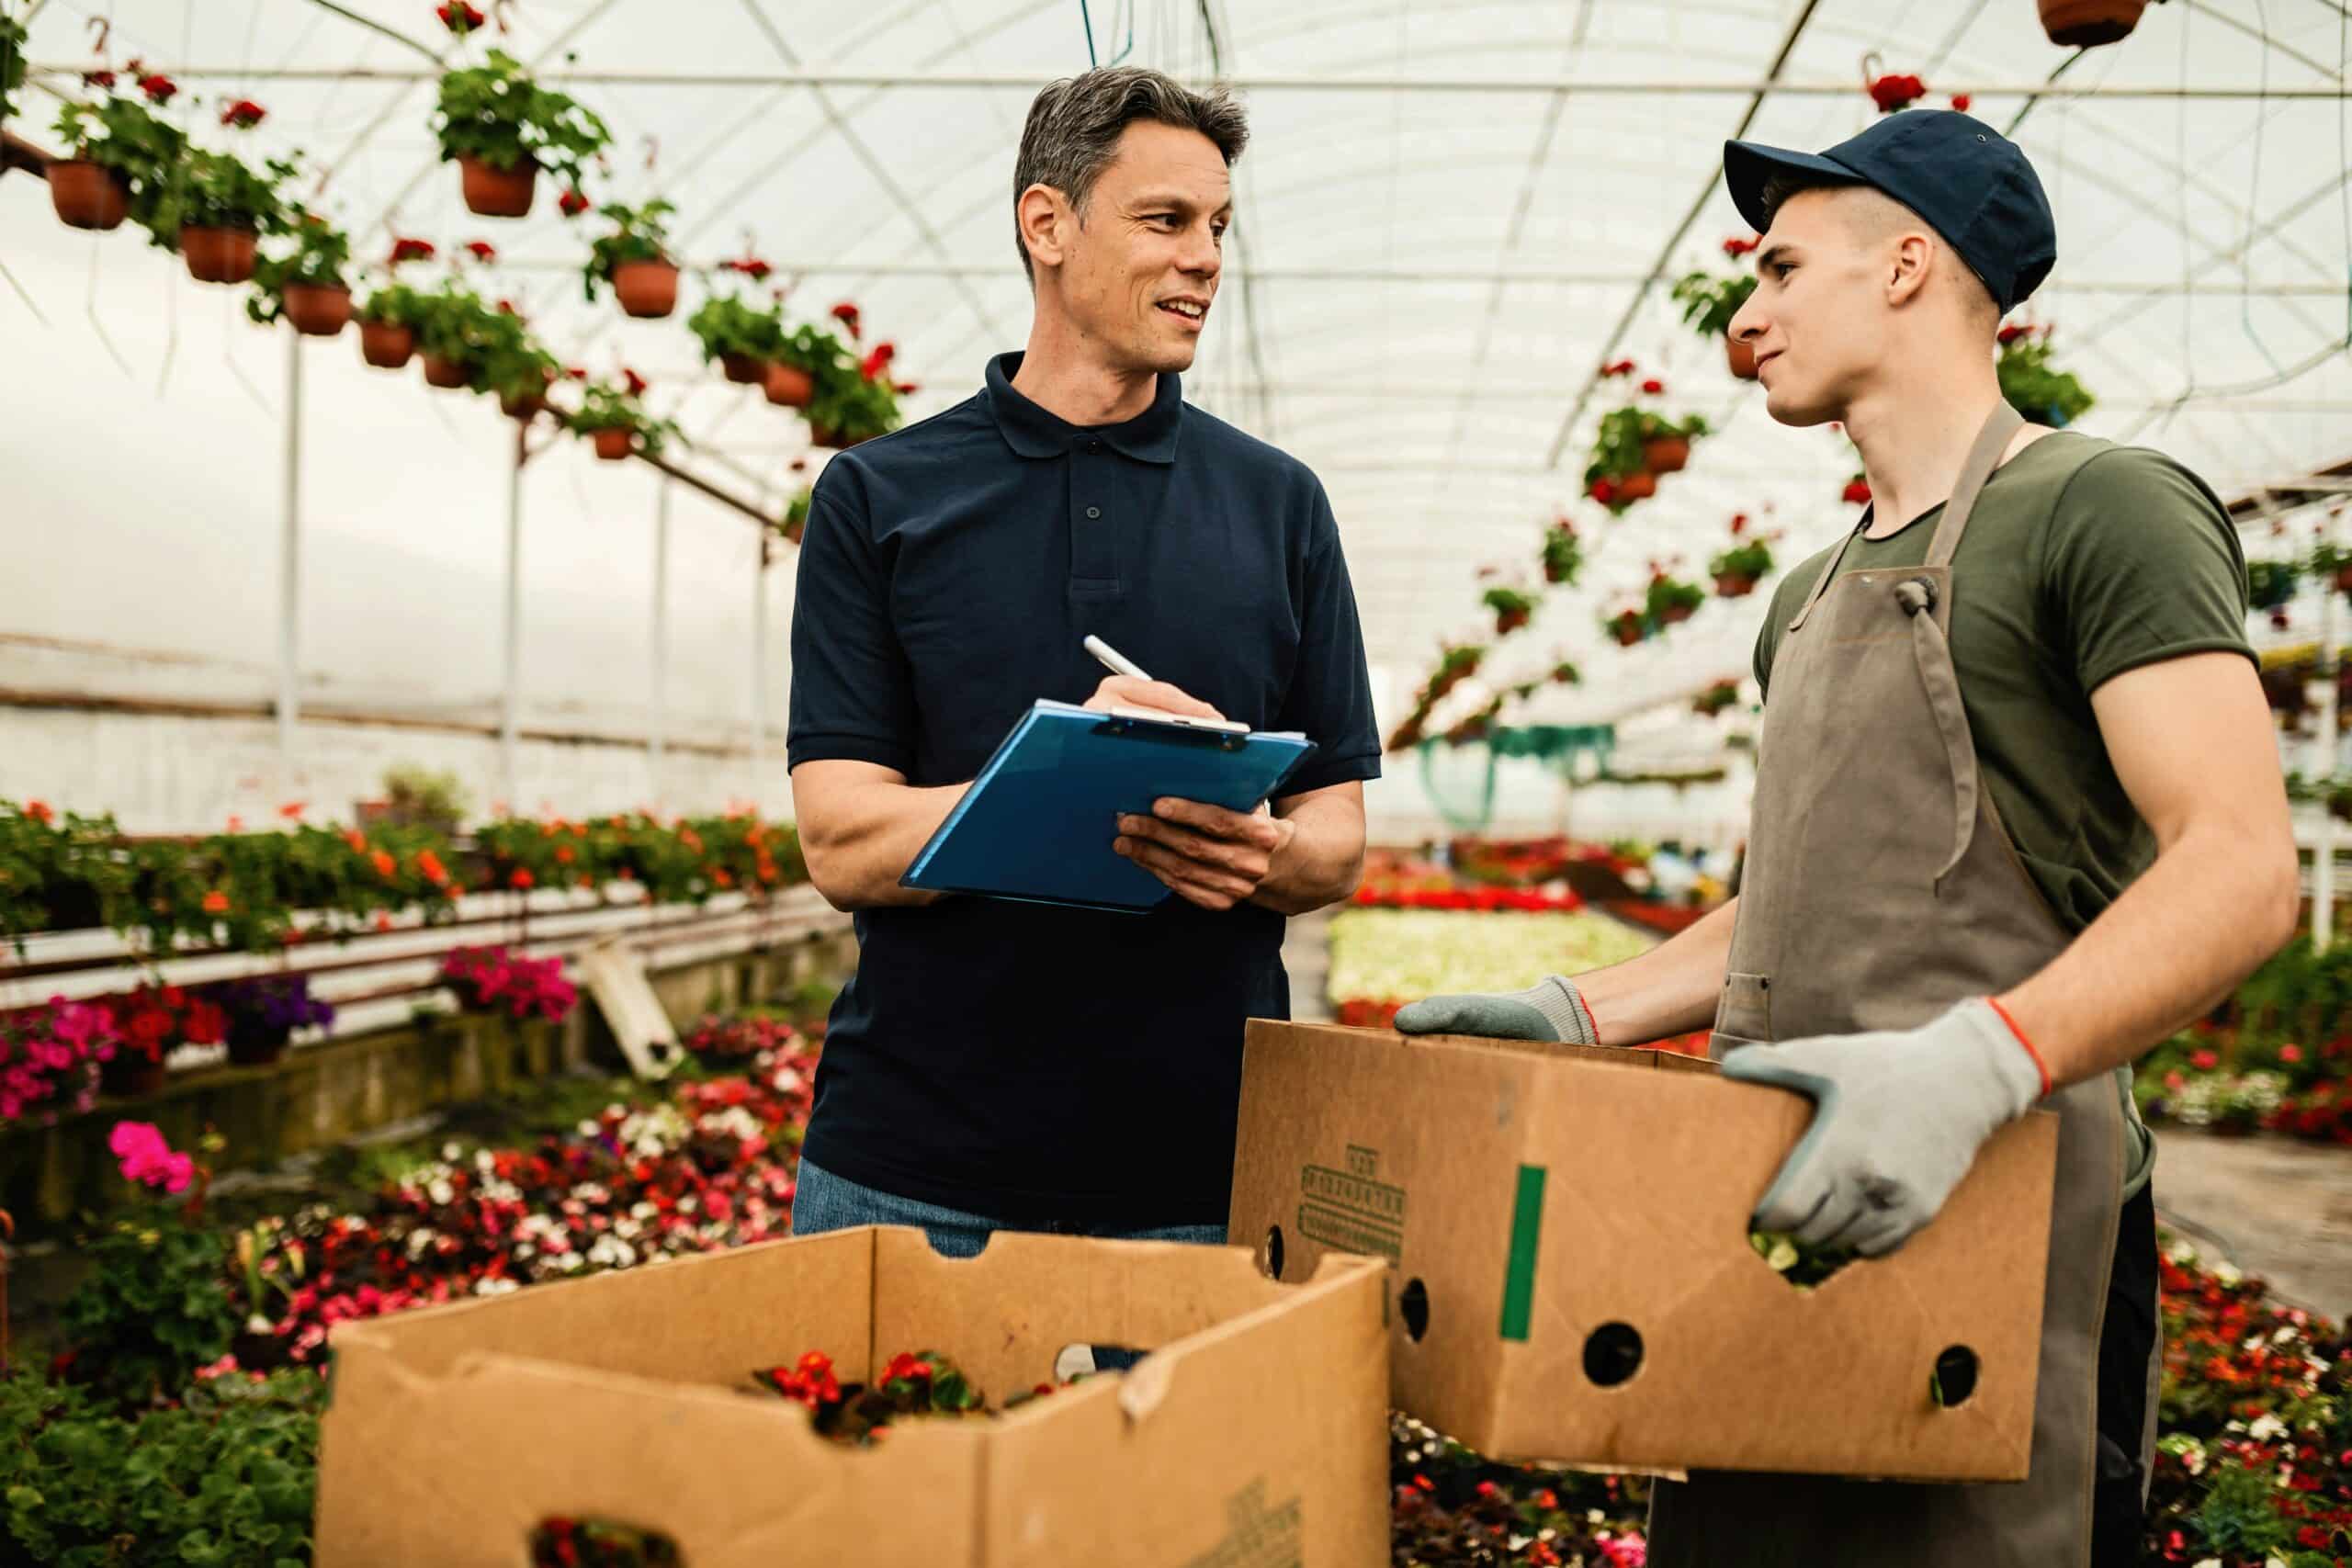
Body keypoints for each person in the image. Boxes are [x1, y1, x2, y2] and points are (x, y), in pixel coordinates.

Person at [1396, 110, 2296, 1566]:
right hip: (1783, 1197)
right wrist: (1582, 1007)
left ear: (1907, 267)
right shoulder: (1806, 594)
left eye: (1779, 268)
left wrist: (1981, 1062)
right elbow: (1783, 911)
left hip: (2006, 1204)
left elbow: (2243, 867)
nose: (1745, 317)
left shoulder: (2101, 510)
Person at [785, 67, 1379, 1263]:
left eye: (1218, 226)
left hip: (1201, 1168)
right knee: (899, 1456)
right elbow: (839, 840)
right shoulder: (881, 496)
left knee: (1203, 1465)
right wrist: (1065, 782)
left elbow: (1336, 833)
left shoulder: (1277, 506)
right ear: (1046, 226)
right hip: (913, 1172)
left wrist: (1257, 850)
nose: (1206, 257)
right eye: (1166, 221)